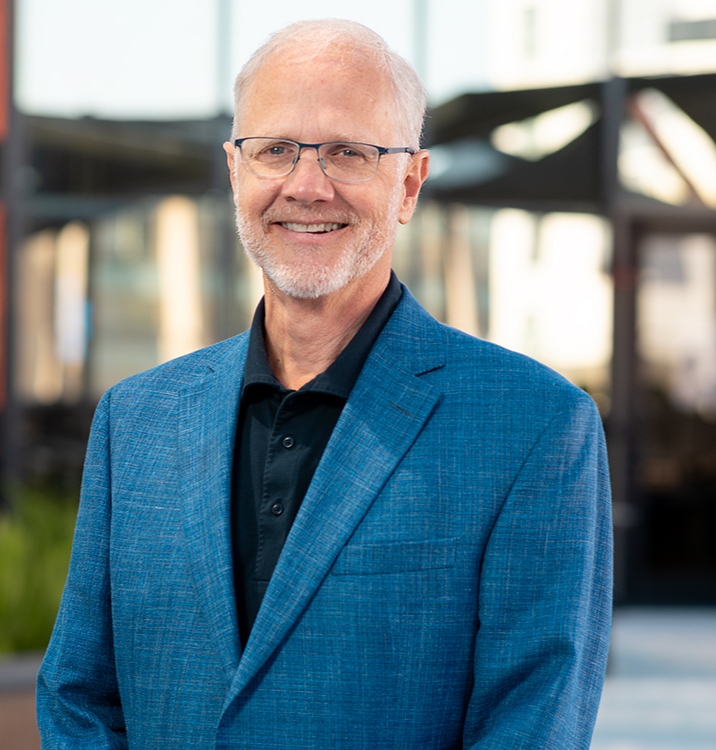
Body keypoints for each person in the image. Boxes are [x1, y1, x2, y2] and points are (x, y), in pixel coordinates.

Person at [37, 19, 612, 750]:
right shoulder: (136, 419)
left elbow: (532, 726)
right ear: (236, 170)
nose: (307, 187)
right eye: (275, 150)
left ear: (408, 183)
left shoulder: (535, 428)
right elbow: (77, 697)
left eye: (348, 152)